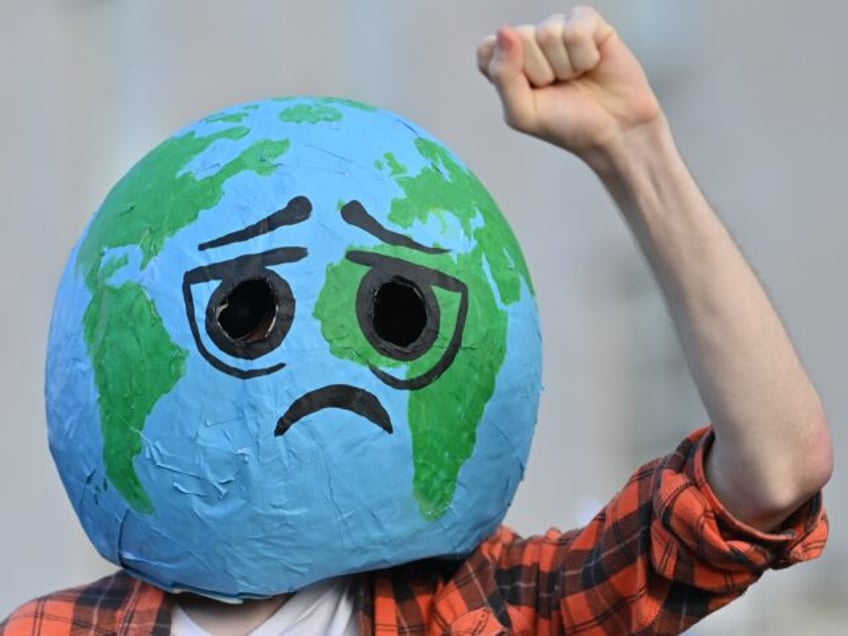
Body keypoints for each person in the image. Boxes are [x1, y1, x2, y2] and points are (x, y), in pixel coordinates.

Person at [1, 6, 831, 635]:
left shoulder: (497, 608)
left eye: (394, 312)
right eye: (245, 313)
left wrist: (636, 153)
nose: (323, 355)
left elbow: (772, 476)